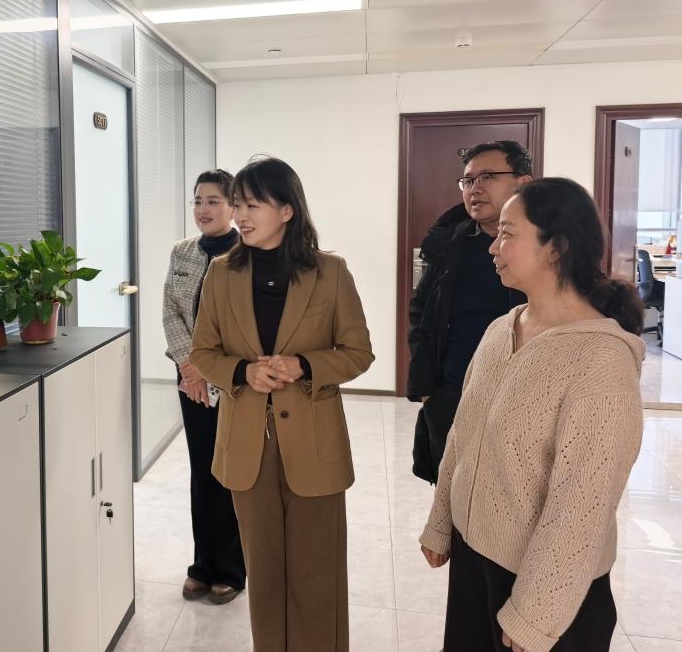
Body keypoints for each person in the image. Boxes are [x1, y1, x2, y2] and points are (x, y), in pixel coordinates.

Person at [419, 177, 645, 652]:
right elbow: (463, 435)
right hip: (475, 556)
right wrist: (442, 521)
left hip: (547, 587)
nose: (493, 247)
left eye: (507, 234)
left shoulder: (600, 360)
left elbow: (582, 503)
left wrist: (537, 612)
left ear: (556, 248)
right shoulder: (502, 329)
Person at [190, 156, 374, 652]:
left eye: (252, 205)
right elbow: (202, 351)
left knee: (317, 573)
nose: (240, 215)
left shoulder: (330, 272)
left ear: (287, 210)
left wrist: (304, 365)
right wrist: (242, 372)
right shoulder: (221, 273)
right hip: (246, 444)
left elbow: (358, 353)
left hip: (314, 443)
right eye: (238, 205)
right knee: (265, 572)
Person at [408, 140, 533, 483]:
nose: (474, 188)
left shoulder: (545, 246)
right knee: (451, 496)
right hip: (452, 394)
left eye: (488, 177)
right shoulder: (449, 243)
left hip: (520, 399)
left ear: (523, 183)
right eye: (468, 180)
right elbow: (421, 314)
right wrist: (428, 392)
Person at [162, 169, 246, 605]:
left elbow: (242, 324)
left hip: (231, 382)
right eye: (198, 201)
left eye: (214, 201)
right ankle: (202, 564)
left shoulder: (247, 253)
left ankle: (231, 567)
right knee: (202, 470)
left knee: (231, 472)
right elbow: (170, 311)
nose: (204, 209)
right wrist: (188, 366)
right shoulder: (182, 252)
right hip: (189, 379)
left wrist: (208, 371)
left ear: (232, 206)